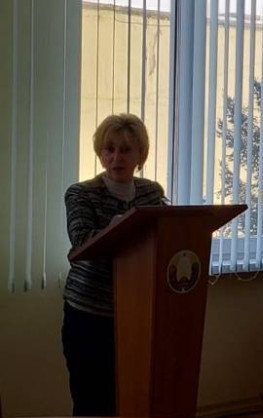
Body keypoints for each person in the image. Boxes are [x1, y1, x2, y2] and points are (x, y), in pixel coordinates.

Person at [62, 113, 167, 416]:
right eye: (109, 149)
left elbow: (166, 233)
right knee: (92, 400)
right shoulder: (81, 193)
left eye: (125, 150)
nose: (116, 157)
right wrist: (122, 226)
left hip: (136, 312)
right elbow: (82, 241)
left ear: (140, 155)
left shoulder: (151, 192)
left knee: (130, 397)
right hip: (89, 314)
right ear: (100, 153)